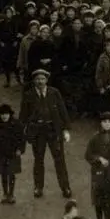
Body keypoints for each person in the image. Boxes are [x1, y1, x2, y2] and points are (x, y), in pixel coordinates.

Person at [19, 69, 72, 199]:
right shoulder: (29, 95)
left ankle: (65, 187)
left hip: (53, 130)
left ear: (47, 80)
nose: (40, 81)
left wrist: (65, 129)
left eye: (42, 79)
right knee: (38, 160)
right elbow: (23, 116)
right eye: (37, 79)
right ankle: (38, 187)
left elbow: (62, 111)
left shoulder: (54, 93)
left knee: (59, 160)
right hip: (38, 132)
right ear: (34, 81)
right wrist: (24, 131)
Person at [0, 104, 25, 204]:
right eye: (2, 114)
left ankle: (11, 194)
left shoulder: (16, 124)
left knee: (11, 174)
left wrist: (20, 149)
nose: (4, 116)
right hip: (1, 153)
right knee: (3, 174)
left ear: (9, 114)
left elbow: (22, 138)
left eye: (6, 114)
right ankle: (5, 194)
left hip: (13, 153)